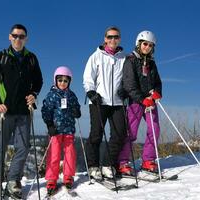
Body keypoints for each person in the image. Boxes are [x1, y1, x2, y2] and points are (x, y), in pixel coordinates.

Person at [0, 24, 43, 199]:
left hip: (24, 111)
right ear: (10, 37)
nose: (18, 39)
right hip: (5, 110)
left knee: (23, 147)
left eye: (21, 36)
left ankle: (13, 180)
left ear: (26, 38)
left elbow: (38, 81)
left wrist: (33, 95)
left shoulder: (31, 58)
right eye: (15, 35)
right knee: (0, 147)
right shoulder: (1, 57)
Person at [83, 26, 127, 180]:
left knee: (120, 134)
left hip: (118, 103)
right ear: (105, 39)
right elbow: (88, 77)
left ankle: (108, 164)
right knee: (96, 135)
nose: (112, 40)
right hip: (99, 102)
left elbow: (127, 79)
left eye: (116, 37)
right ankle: (93, 166)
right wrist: (91, 92)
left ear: (119, 39)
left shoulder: (124, 58)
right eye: (110, 37)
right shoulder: (96, 56)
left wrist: (125, 90)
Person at [117, 30, 162, 176]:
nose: (147, 47)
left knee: (154, 129)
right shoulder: (130, 60)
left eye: (150, 45)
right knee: (131, 131)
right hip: (136, 101)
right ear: (139, 44)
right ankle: (123, 161)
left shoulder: (152, 63)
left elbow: (157, 82)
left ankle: (148, 160)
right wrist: (142, 99)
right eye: (145, 44)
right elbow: (129, 84)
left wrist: (157, 93)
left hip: (150, 101)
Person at [41, 66, 81, 195]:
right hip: (56, 130)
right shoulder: (52, 95)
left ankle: (68, 176)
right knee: (54, 154)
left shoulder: (71, 95)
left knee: (70, 153)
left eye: (65, 80)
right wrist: (49, 125)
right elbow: (46, 110)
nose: (62, 83)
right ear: (55, 80)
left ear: (69, 82)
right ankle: (52, 179)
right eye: (60, 80)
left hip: (69, 129)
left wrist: (77, 112)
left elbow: (77, 107)